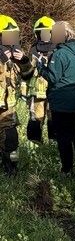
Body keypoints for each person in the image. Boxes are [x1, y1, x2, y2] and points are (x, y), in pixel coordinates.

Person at [40, 21, 75, 174]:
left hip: (62, 103)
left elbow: (53, 77)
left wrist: (41, 67)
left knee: (63, 138)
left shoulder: (60, 54)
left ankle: (66, 169)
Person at [0, 15, 34, 175]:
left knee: (12, 142)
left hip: (8, 111)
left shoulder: (15, 55)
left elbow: (28, 76)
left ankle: (12, 168)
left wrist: (24, 61)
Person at [26, 15, 55, 144]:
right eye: (41, 33)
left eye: (47, 33)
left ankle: (53, 143)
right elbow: (27, 70)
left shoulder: (58, 50)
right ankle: (35, 144)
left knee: (52, 118)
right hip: (37, 92)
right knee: (35, 119)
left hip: (53, 91)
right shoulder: (33, 50)